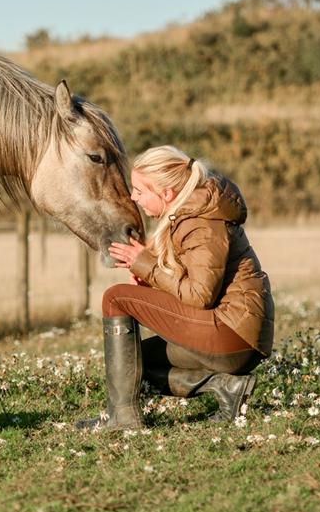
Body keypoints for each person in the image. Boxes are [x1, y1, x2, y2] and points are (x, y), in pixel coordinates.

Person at [78, 145, 275, 430]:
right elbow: (194, 285)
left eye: (140, 190)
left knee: (115, 298)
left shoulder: (200, 223)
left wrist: (146, 265)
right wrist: (149, 277)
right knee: (133, 363)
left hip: (233, 334)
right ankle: (226, 388)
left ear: (166, 193)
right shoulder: (189, 216)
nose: (134, 197)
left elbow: (199, 295)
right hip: (232, 334)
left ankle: (123, 417)